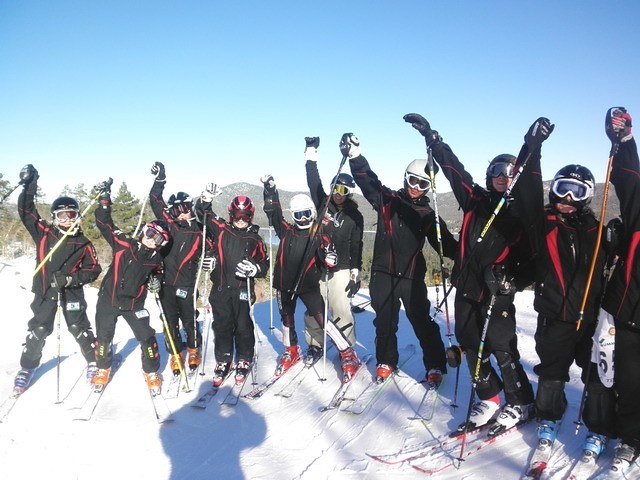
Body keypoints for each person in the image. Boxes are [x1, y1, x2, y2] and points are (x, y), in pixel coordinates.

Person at [404, 114, 535, 435]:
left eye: (510, 174)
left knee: (501, 346)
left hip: (497, 291)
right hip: (466, 287)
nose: (504, 178)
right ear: (490, 176)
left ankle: (521, 401)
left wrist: (512, 282)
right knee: (470, 343)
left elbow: (531, 261)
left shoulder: (521, 214)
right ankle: (489, 397)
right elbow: (454, 171)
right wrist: (433, 141)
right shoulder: (474, 200)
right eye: (497, 173)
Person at [515, 118, 615, 457]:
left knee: (598, 376)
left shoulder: (599, 232)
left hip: (590, 320)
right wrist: (532, 147)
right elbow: (525, 189)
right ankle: (548, 416)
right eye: (562, 189)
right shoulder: (543, 224)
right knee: (551, 371)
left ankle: (599, 426)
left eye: (578, 191)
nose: (568, 198)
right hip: (554, 317)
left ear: (589, 196)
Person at [341, 132, 456, 385]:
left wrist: (465, 257)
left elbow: (446, 245)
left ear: (429, 188)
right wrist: (356, 156)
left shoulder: (427, 214)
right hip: (383, 274)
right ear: (405, 178)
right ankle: (386, 360)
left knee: (421, 321)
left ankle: (435, 363)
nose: (416, 187)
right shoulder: (388, 202)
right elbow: (367, 181)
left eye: (423, 184)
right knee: (384, 321)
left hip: (412, 277)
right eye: (413, 181)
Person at [261, 175, 360, 380]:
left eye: (306, 214)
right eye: (299, 215)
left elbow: (328, 258)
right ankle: (292, 349)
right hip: (285, 285)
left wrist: (330, 259)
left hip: (308, 286)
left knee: (323, 319)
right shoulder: (286, 231)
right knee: (286, 319)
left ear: (312, 213)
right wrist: (270, 191)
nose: (303, 219)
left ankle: (347, 352)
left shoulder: (319, 234)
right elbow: (273, 213)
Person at [13, 164, 101, 393]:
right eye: (61, 215)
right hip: (44, 289)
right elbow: (26, 211)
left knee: (77, 326)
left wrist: (71, 279)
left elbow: (94, 269)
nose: (66, 219)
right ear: (54, 217)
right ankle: (27, 367)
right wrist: (30, 183)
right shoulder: (44, 233)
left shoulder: (83, 243)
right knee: (40, 329)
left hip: (70, 291)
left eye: (70, 215)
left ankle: (93, 360)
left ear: (77, 216)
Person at [92, 178, 169, 394]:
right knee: (104, 337)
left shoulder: (155, 259)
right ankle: (102, 368)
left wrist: (156, 281)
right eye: (152, 234)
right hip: (109, 299)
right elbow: (104, 223)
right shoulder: (124, 244)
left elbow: (158, 275)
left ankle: (151, 370)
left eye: (159, 240)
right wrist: (105, 200)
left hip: (135, 304)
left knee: (147, 337)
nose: (153, 240)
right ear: (145, 230)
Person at [600, 106, 640, 473]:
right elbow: (627, 179)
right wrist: (624, 140)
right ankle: (631, 438)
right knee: (629, 382)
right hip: (631, 316)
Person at [196, 189, 269, 385]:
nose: (241, 220)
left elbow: (264, 265)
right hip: (220, 288)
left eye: (245, 216)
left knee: (243, 325)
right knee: (222, 326)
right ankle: (224, 359)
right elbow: (203, 214)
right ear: (231, 215)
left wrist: (255, 269)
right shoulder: (221, 230)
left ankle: (245, 357)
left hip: (242, 290)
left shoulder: (255, 240)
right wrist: (206, 200)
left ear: (251, 216)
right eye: (237, 215)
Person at [303, 136, 364, 366]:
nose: (339, 193)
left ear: (350, 192)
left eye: (344, 189)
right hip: (318, 266)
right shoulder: (323, 204)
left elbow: (357, 244)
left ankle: (346, 349)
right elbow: (312, 180)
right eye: (336, 188)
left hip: (341, 269)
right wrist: (311, 152)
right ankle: (315, 344)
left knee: (340, 310)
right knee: (313, 309)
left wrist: (355, 272)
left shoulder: (354, 215)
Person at [149, 161, 205, 376]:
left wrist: (211, 260)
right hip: (165, 284)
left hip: (187, 284)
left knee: (189, 320)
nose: (182, 214)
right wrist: (160, 179)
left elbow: (212, 247)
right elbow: (155, 200)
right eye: (177, 210)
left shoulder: (199, 230)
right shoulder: (168, 225)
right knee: (169, 322)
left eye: (186, 209)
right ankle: (175, 353)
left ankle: (193, 349)